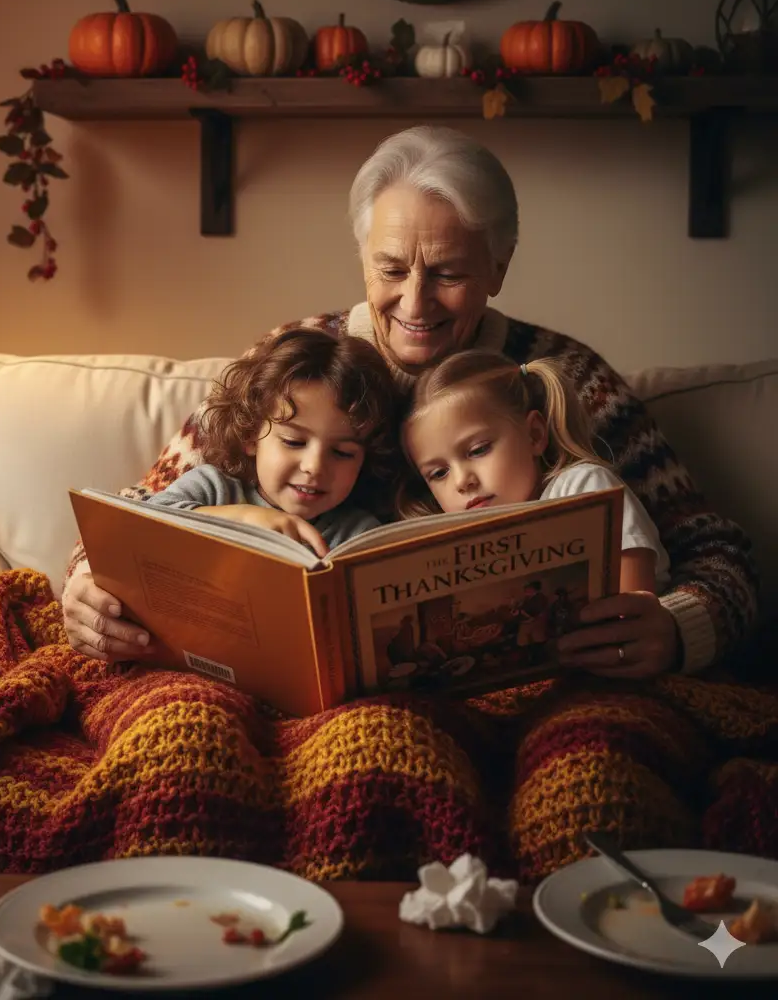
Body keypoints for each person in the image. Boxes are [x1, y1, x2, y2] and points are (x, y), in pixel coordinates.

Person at [59, 125, 760, 877]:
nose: (415, 301)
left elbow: (720, 558)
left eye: (449, 272)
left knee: (593, 782)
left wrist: (675, 627)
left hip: (533, 692)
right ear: (362, 259)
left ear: (499, 265)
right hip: (290, 696)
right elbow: (138, 513)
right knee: (188, 755)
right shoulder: (298, 359)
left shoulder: (567, 377)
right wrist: (85, 589)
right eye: (390, 268)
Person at [400, 349, 671, 624]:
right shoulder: (462, 548)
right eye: (438, 473)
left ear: (534, 435)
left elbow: (634, 616)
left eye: (478, 450)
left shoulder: (583, 487)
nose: (461, 481)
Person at [146, 328, 403, 556]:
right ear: (250, 435)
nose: (314, 467)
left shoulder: (358, 533)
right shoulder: (212, 488)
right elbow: (144, 522)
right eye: (294, 442)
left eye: (342, 452)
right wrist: (243, 519)